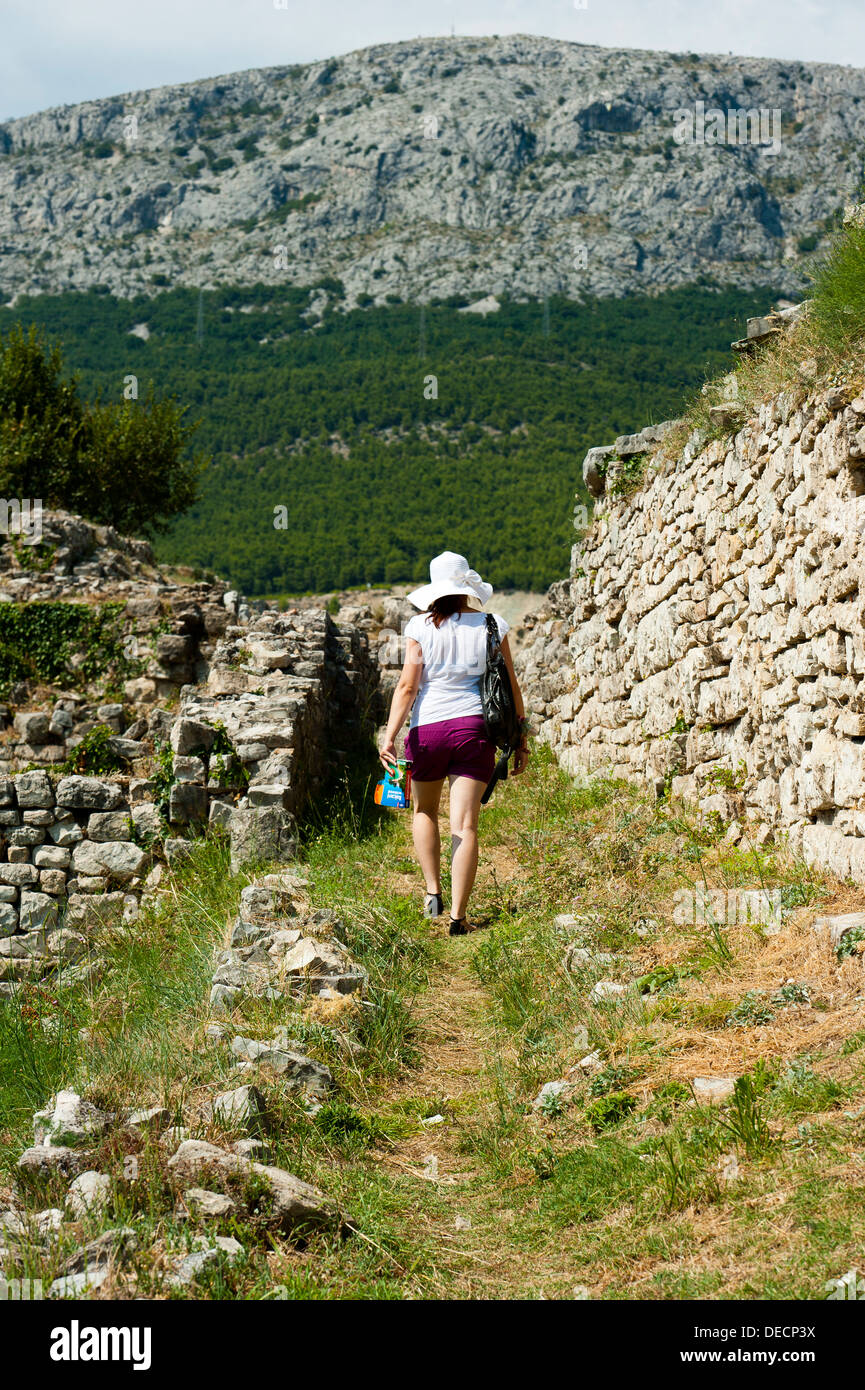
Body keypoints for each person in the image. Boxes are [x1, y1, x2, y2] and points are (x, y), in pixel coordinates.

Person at [379, 551, 529, 935]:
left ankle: (432, 892)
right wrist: (521, 736)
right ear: (467, 588)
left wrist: (390, 734)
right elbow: (510, 685)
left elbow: (408, 686)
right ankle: (459, 918)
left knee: (424, 812)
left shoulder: (419, 626)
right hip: (473, 729)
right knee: (465, 824)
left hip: (426, 731)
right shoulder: (493, 624)